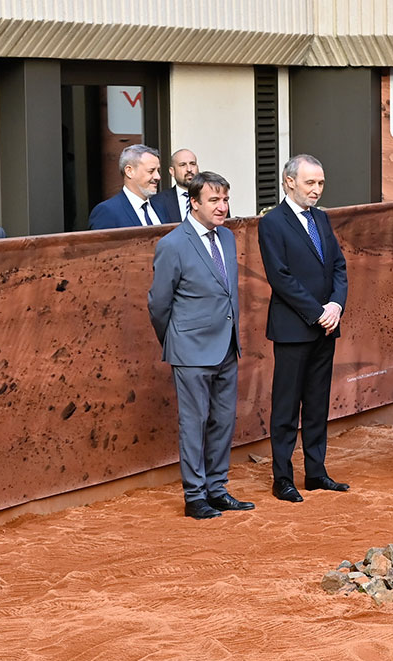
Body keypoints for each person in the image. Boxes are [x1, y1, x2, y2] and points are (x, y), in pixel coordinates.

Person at [148, 172, 251, 520]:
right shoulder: (173, 244)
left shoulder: (227, 237)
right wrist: (174, 339)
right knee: (194, 423)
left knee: (222, 420)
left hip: (226, 346)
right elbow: (159, 303)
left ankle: (217, 488)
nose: (222, 207)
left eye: (225, 200)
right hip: (190, 349)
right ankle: (195, 496)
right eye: (214, 201)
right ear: (194, 203)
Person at [260, 153, 349, 503]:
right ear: (289, 181)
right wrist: (318, 312)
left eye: (321, 183)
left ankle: (316, 473)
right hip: (293, 328)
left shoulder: (322, 219)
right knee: (286, 407)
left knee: (316, 404)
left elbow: (339, 267)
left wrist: (336, 306)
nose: (317, 189)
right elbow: (280, 277)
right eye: (310, 182)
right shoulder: (272, 223)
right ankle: (282, 478)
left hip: (325, 328)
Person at [89, 144, 169, 229]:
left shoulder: (160, 207)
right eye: (151, 171)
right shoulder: (107, 211)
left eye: (158, 170)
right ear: (129, 171)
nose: (158, 177)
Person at [162, 149, 197, 223]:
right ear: (172, 171)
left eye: (192, 164)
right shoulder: (159, 201)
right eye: (182, 165)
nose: (189, 169)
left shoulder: (213, 197)